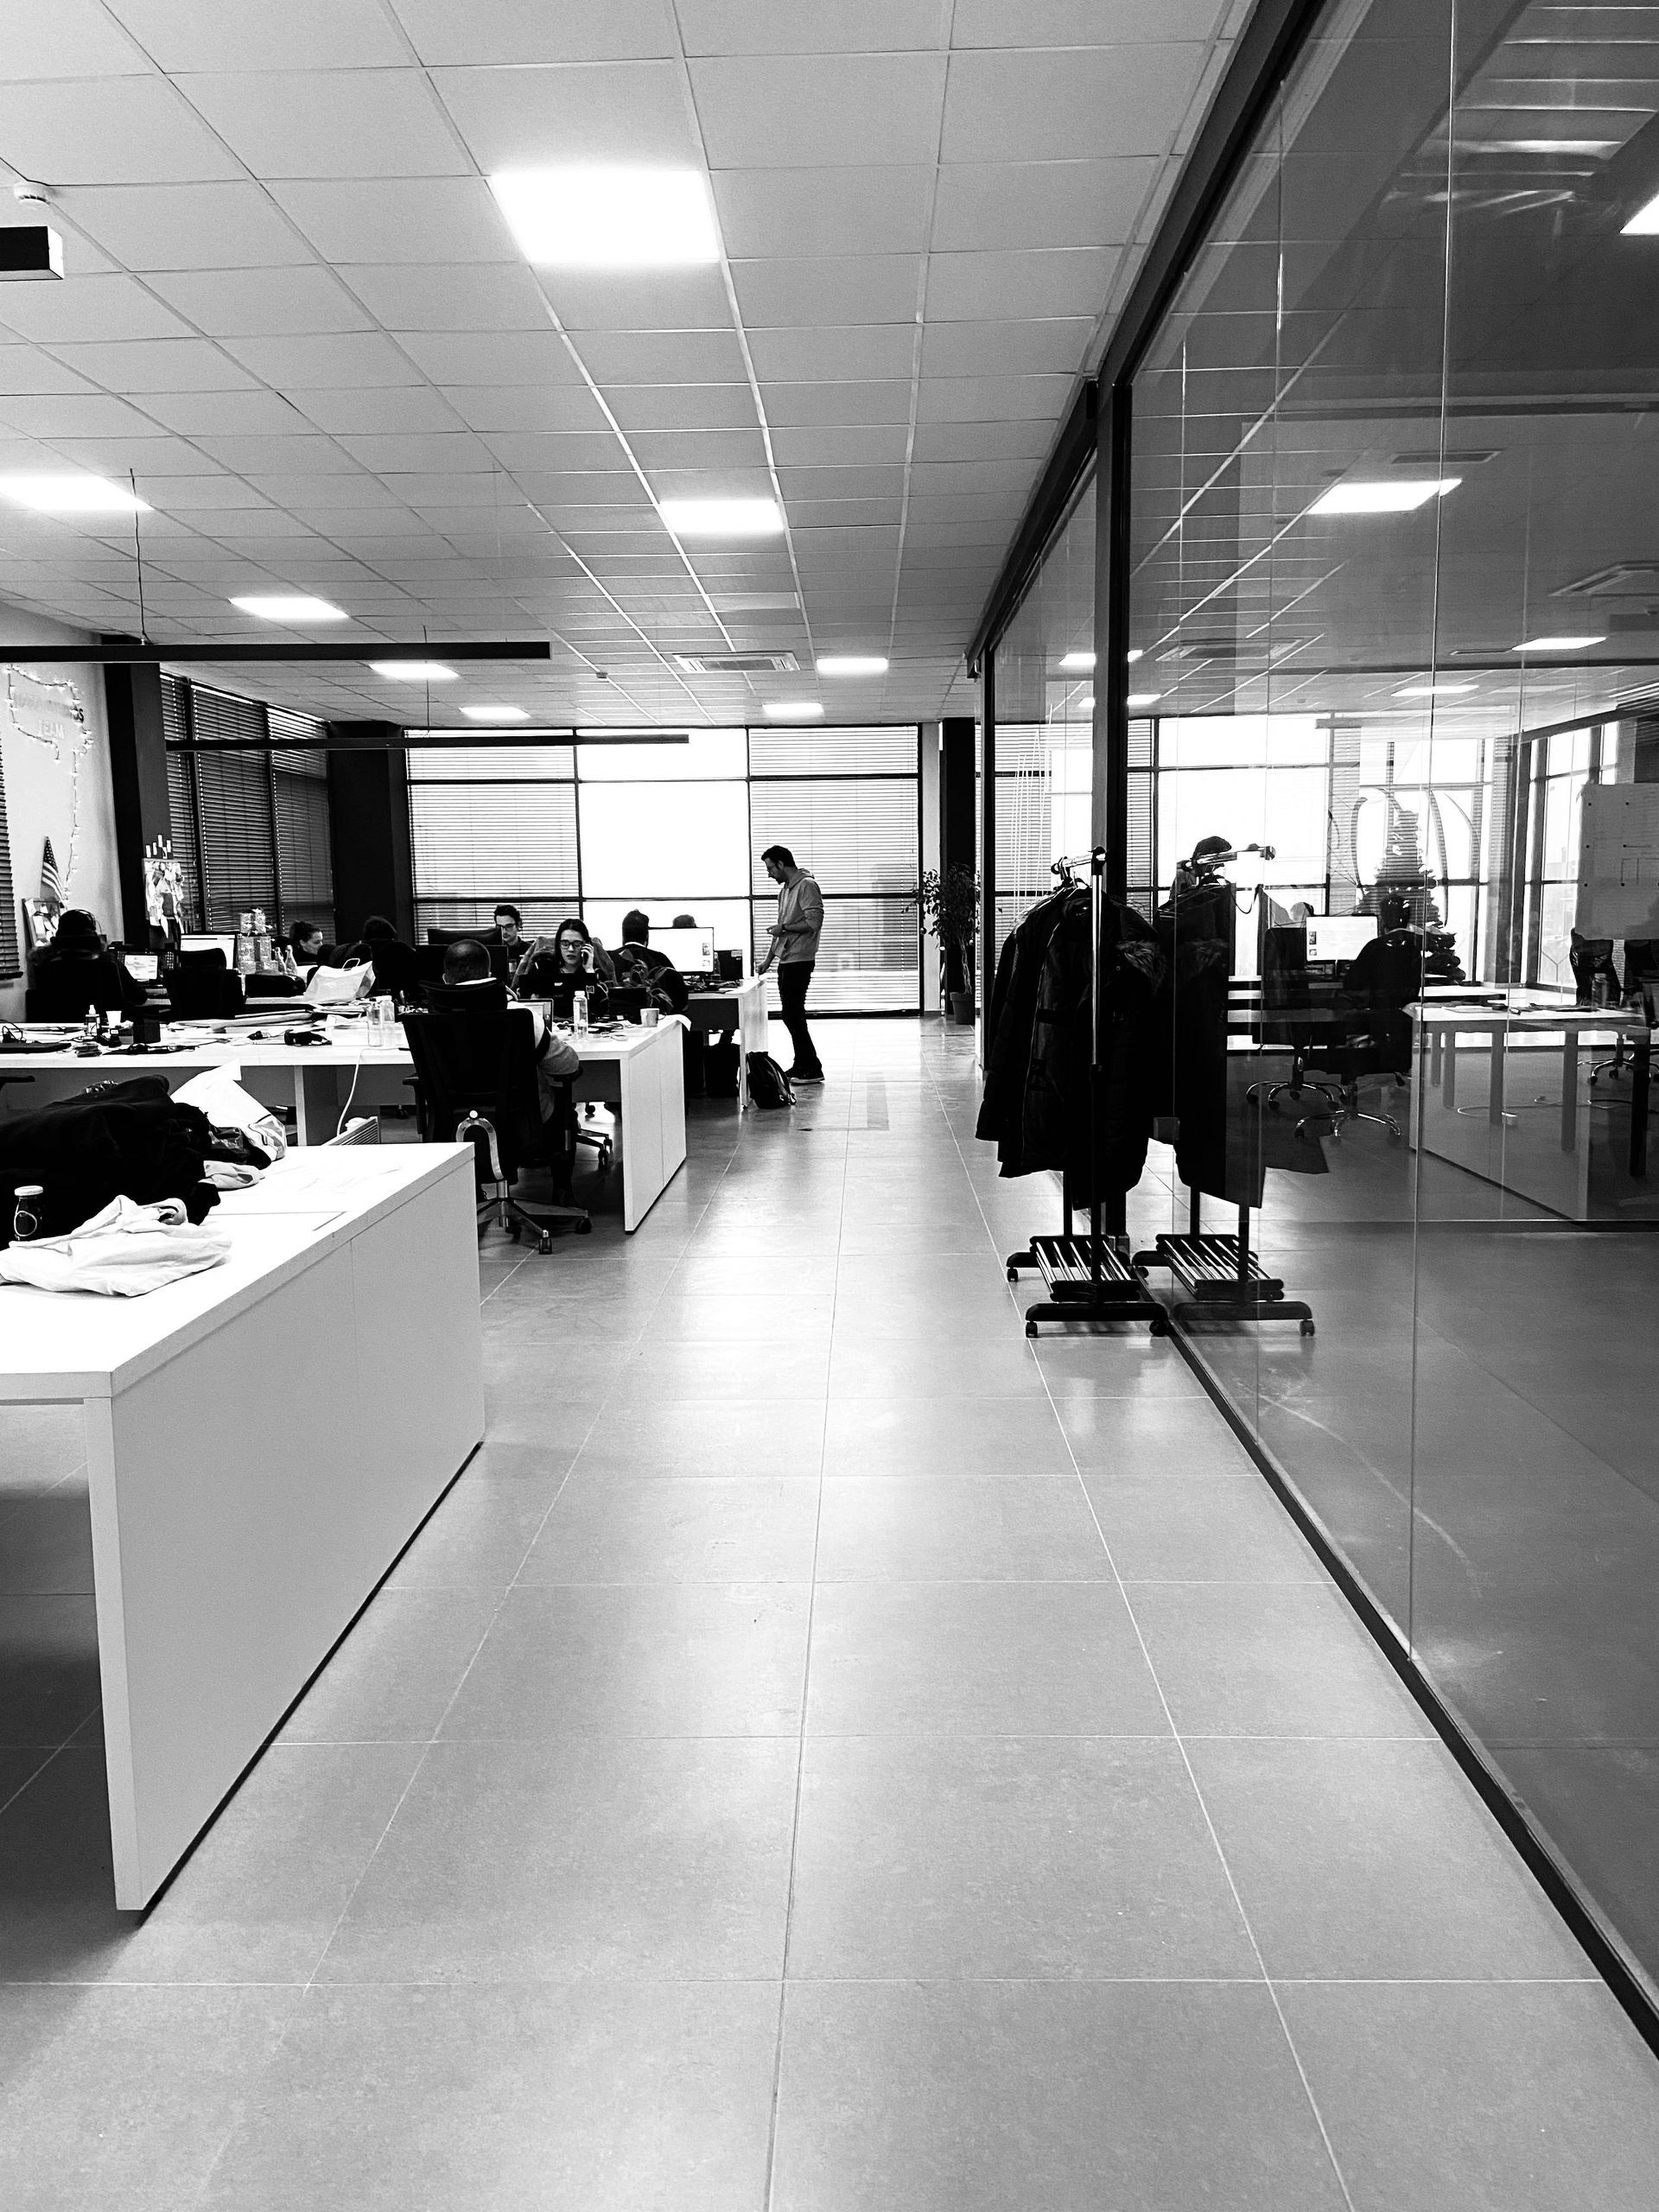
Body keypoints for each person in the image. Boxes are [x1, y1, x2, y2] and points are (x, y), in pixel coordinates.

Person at [429, 938, 580, 1122]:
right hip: (521, 1122)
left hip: (454, 1123)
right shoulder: (521, 1015)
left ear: (445, 980)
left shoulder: (429, 1023)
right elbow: (566, 1065)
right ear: (489, 975)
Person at [760, 843, 824, 1081]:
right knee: (791, 1015)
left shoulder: (807, 885)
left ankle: (812, 1067)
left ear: (781, 864)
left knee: (793, 1014)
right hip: (787, 960)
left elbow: (814, 923)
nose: (769, 874)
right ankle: (803, 1064)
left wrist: (785, 927)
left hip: (800, 959)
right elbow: (780, 929)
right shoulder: (785, 890)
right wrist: (768, 960)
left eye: (770, 868)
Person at [30, 907, 148, 1021]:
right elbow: (139, 997)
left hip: (60, 1030)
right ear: (93, 936)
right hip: (107, 1028)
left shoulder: (45, 965)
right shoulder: (108, 961)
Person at [518, 917, 614, 1013]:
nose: (571, 949)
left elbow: (598, 1009)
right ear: (558, 945)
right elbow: (526, 1004)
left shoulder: (596, 973)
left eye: (577, 944)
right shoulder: (542, 968)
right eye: (565, 943)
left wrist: (589, 971)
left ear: (586, 945)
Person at [616, 909, 689, 1013]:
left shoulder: (609, 959)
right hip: (657, 1018)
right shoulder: (660, 959)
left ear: (623, 936)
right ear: (647, 936)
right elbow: (680, 997)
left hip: (615, 1019)